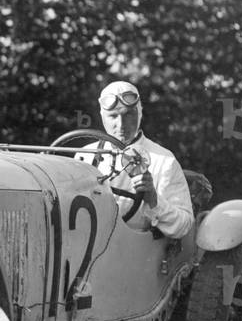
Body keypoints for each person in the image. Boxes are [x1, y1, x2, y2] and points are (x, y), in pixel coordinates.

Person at [77, 80, 194, 239]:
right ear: (102, 116)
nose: (121, 124)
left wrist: (153, 199)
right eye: (113, 116)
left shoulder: (163, 161)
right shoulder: (84, 155)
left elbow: (184, 226)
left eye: (128, 114)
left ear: (140, 113)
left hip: (133, 254)